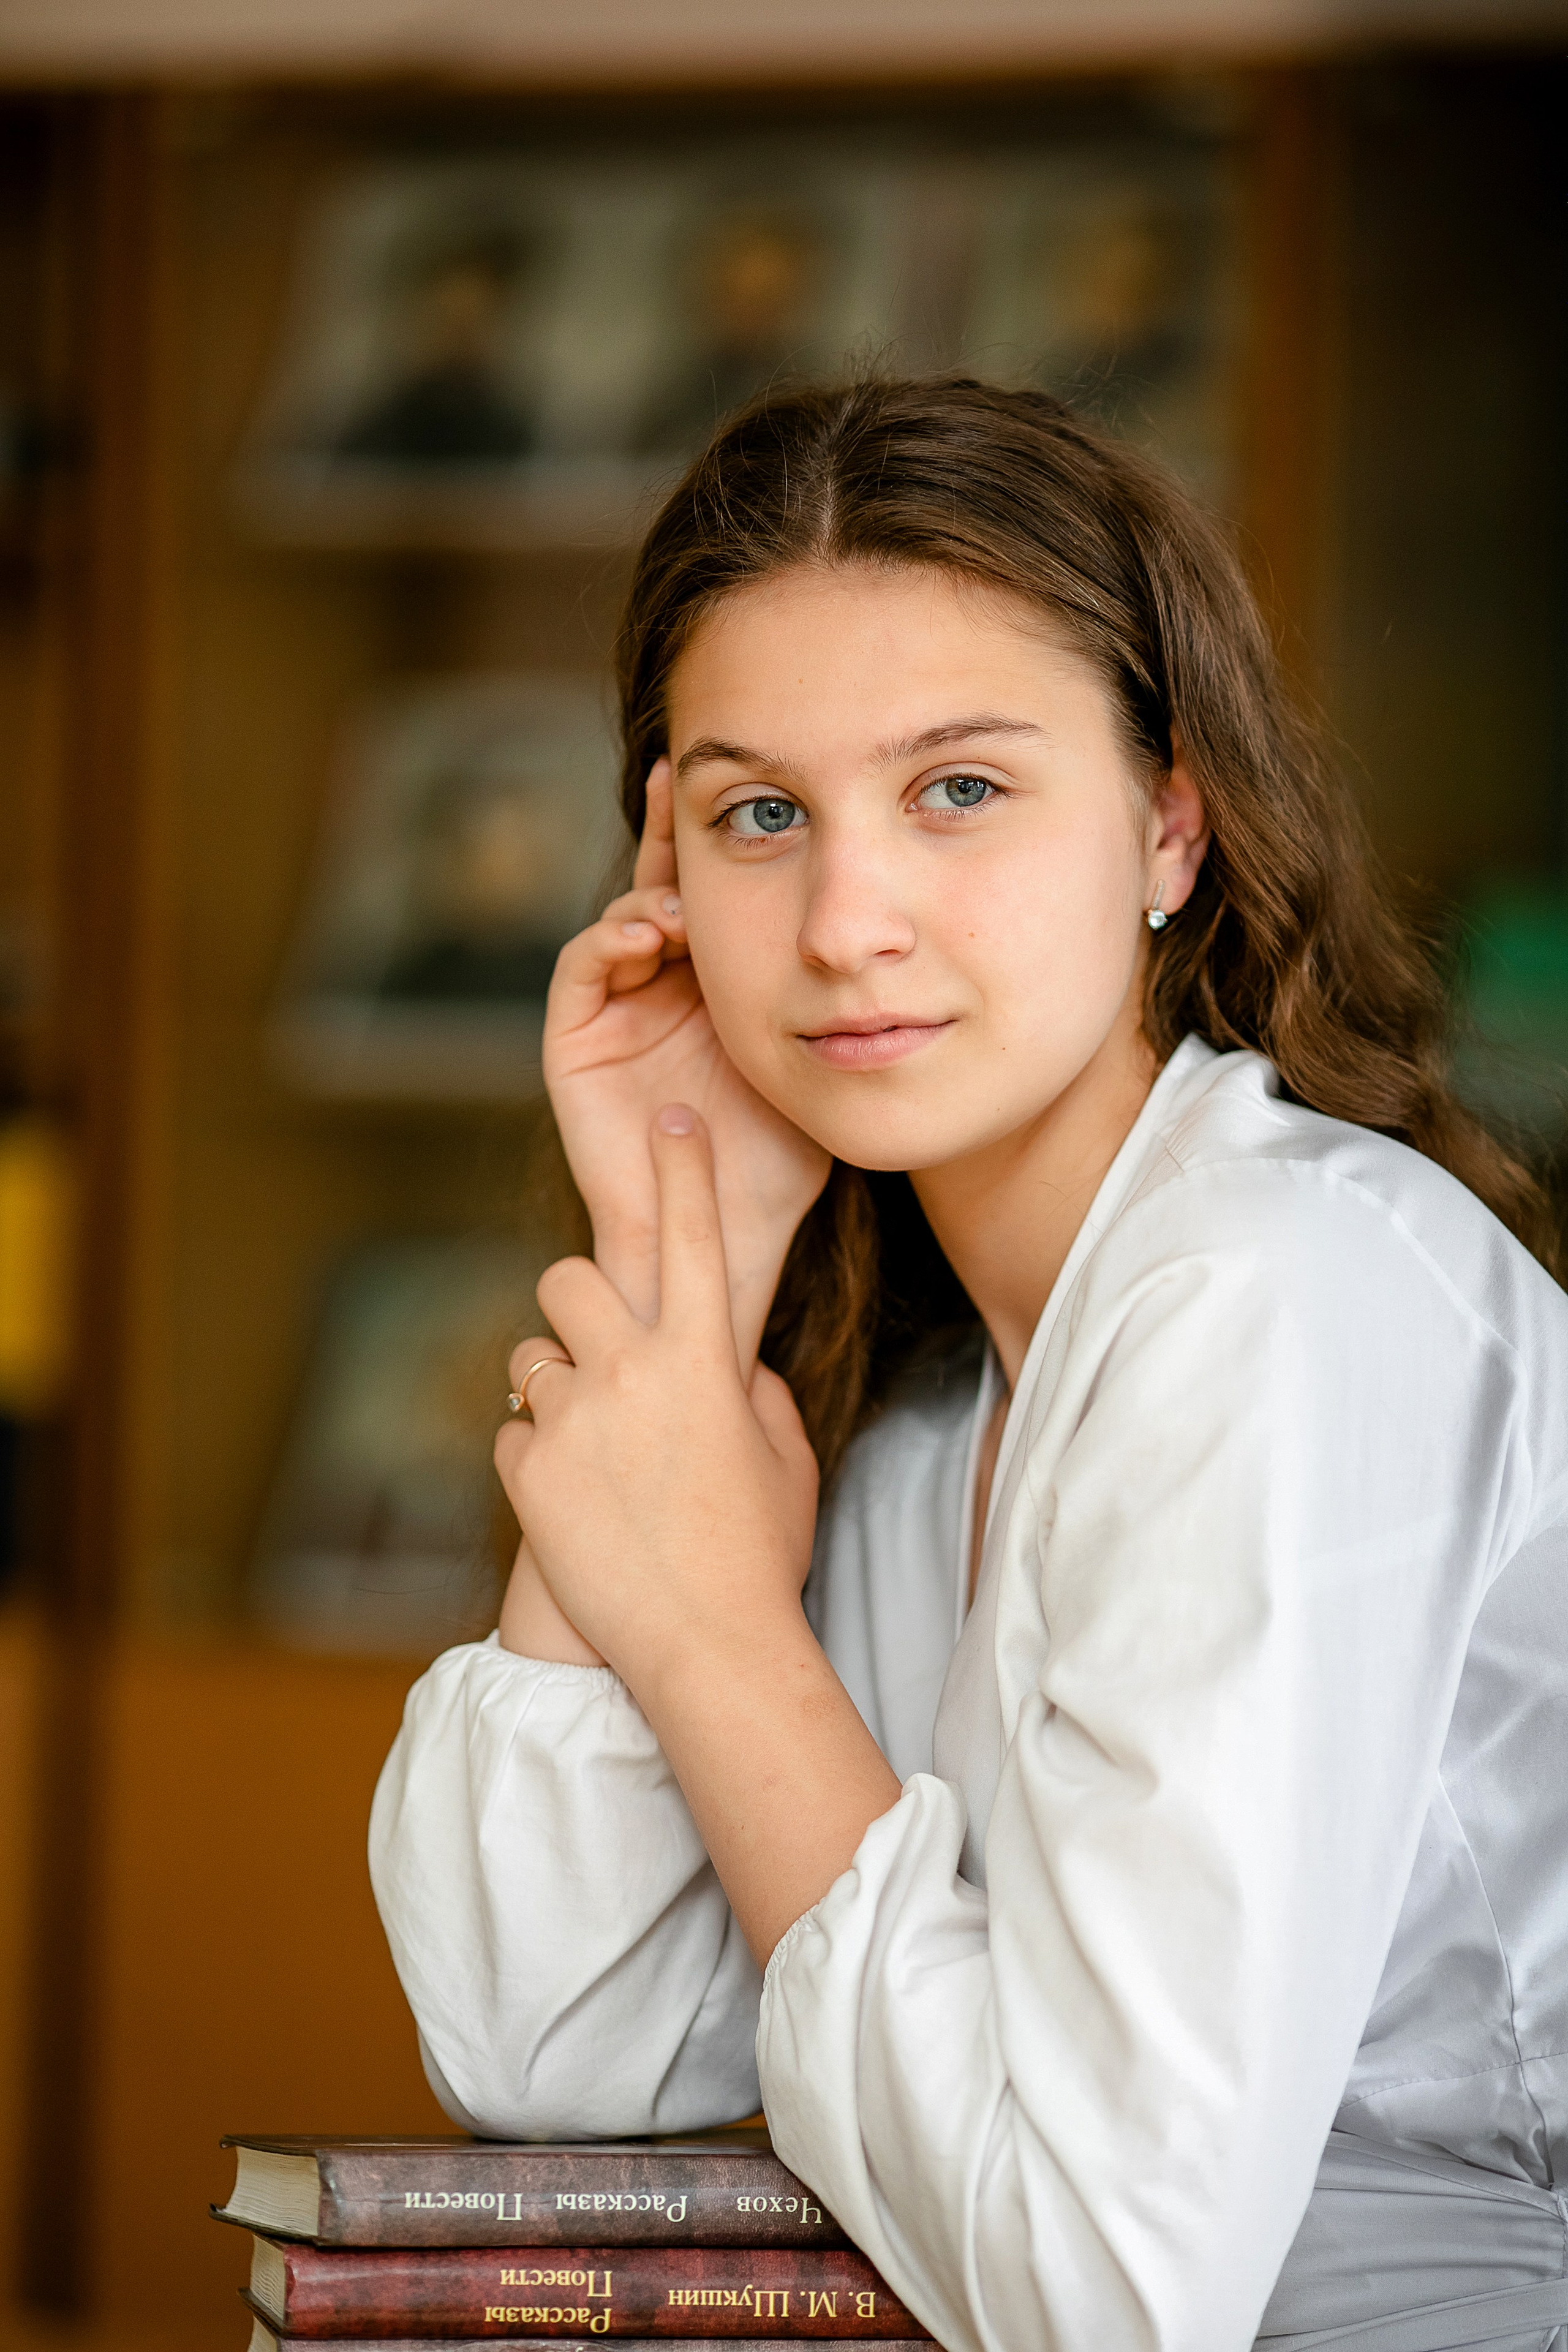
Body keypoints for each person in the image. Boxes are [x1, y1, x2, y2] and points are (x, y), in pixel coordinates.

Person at [369, 377, 1568, 2352]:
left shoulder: (1282, 1284)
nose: (847, 924)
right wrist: (689, 1253)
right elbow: (547, 2055)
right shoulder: (925, 1411)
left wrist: (710, 1626)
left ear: (1171, 822)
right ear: (669, 880)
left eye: (960, 790)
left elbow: (1102, 2294)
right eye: (762, 814)